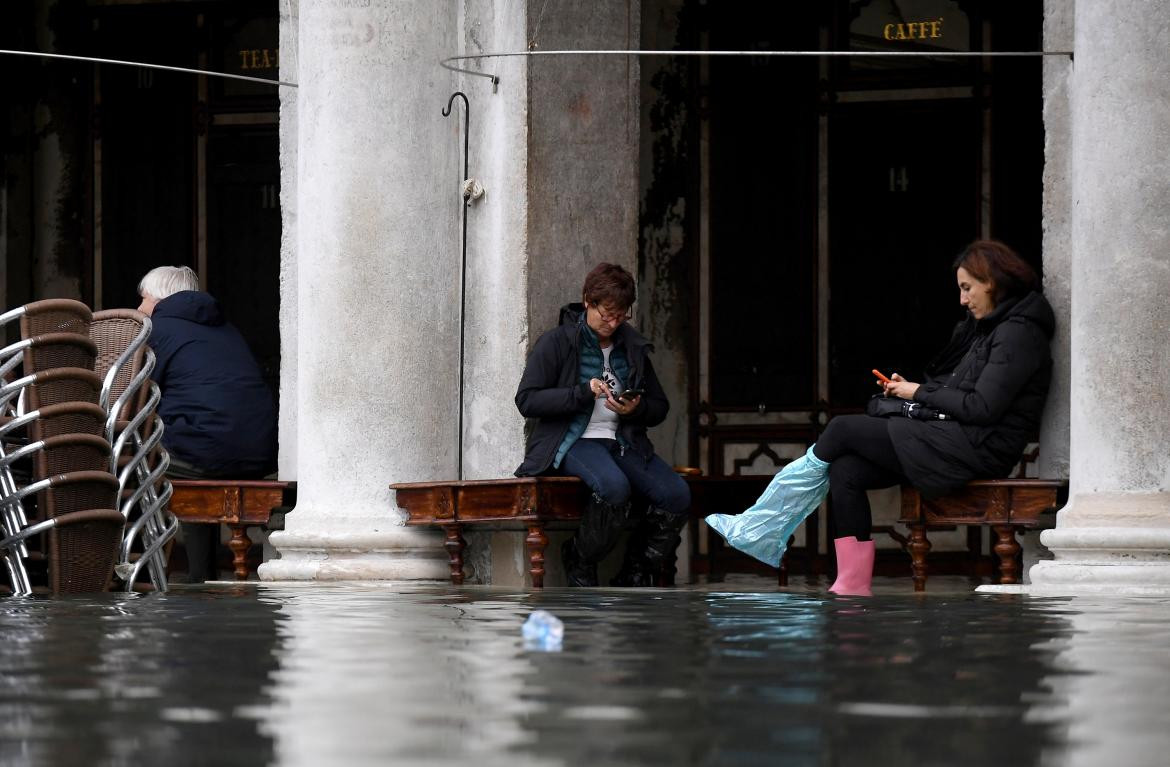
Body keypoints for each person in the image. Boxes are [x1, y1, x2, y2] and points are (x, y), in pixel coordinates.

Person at [706, 240, 1054, 595]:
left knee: (841, 428)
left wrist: (917, 392)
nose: (963, 300)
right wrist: (913, 390)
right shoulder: (994, 328)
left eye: (967, 288)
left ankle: (760, 525)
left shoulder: (1019, 332)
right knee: (846, 470)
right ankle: (852, 584)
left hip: (978, 448)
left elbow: (983, 407)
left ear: (992, 281)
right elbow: (960, 391)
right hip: (958, 439)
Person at [515, 262, 691, 587]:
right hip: (573, 441)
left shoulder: (632, 347)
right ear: (587, 301)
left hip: (624, 442)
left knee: (677, 494)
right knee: (614, 488)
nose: (612, 323)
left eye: (620, 315)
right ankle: (580, 559)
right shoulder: (557, 342)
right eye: (606, 314)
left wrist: (634, 410)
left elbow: (660, 406)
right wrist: (582, 393)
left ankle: (634, 571)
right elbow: (527, 400)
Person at [137, 265, 278, 582]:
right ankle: (198, 573)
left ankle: (136, 572)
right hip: (258, 455)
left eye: (143, 298)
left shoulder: (159, 330)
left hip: (206, 452)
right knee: (187, 440)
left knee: (132, 466)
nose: (139, 308)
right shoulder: (227, 329)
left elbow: (136, 396)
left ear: (158, 299)